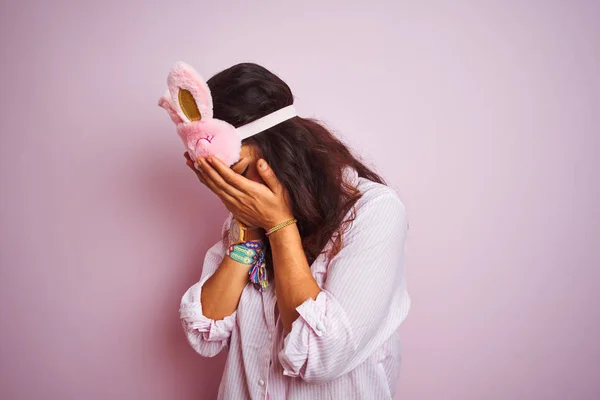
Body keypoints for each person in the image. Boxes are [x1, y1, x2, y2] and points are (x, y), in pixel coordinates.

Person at [179, 62, 410, 399]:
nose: (234, 190)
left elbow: (322, 356)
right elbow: (206, 333)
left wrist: (279, 226)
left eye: (238, 171)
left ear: (280, 149)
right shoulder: (244, 219)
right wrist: (250, 232)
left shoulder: (373, 211)